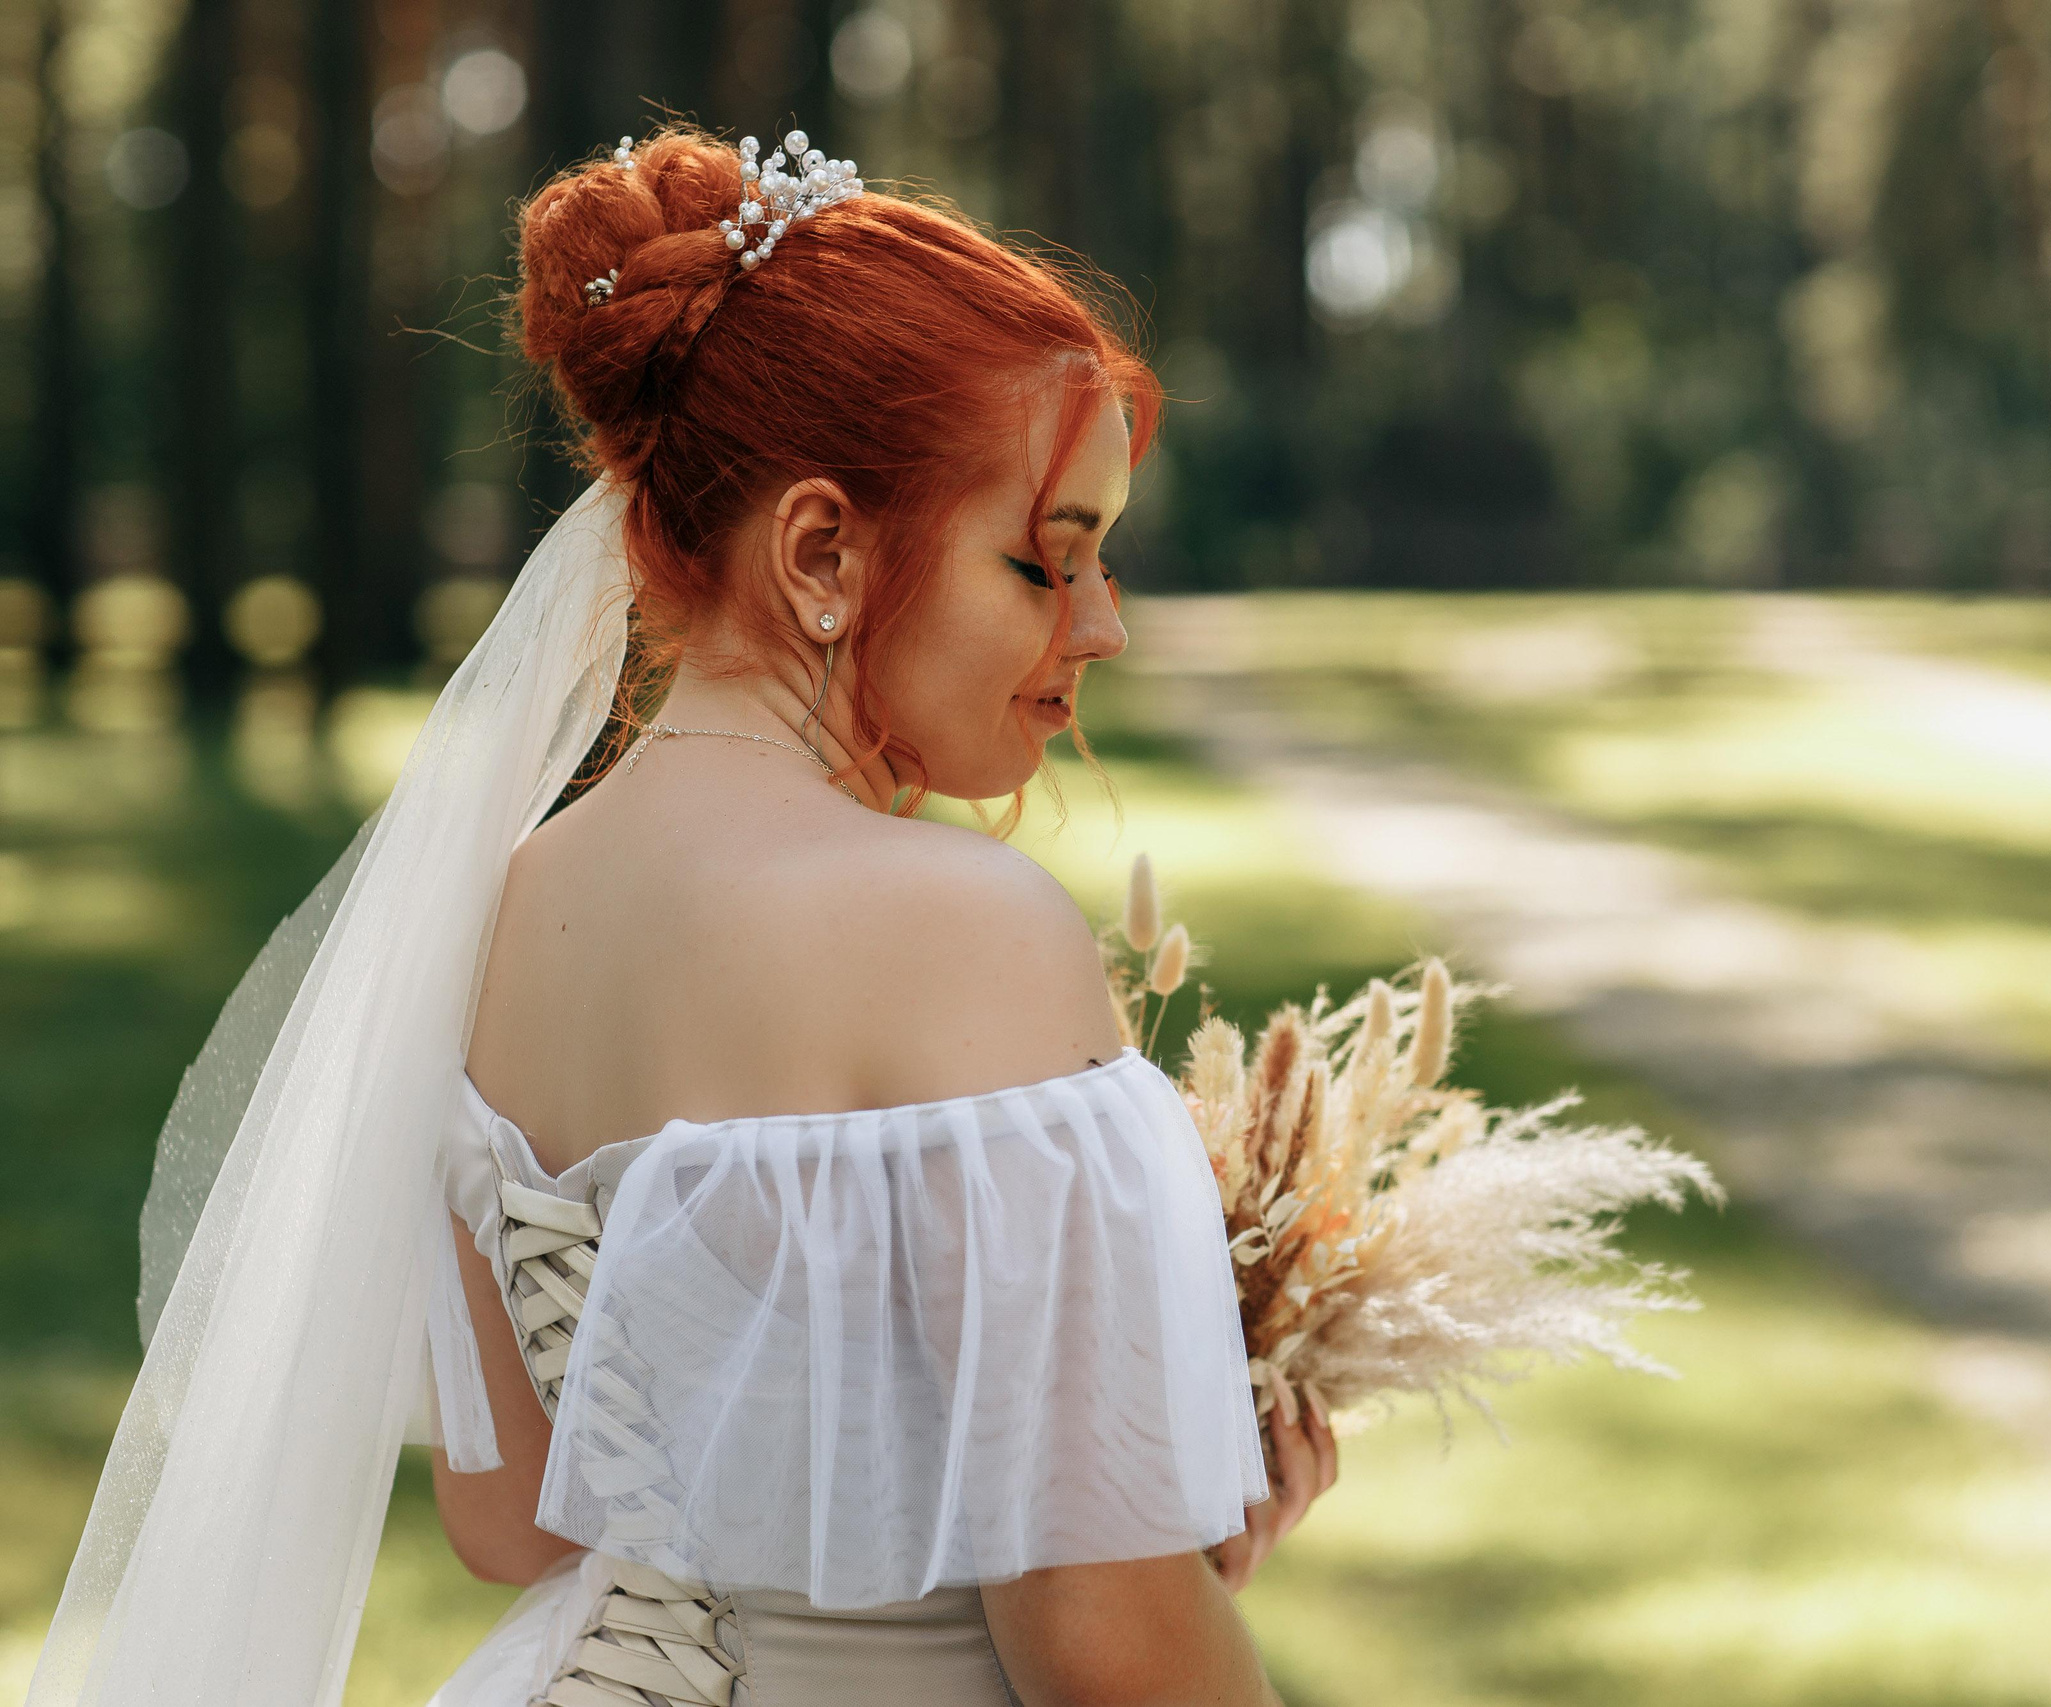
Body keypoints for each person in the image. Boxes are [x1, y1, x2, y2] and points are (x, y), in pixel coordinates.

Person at [26, 125, 1332, 1707]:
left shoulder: (503, 908)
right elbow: (1104, 1653)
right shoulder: (964, 930)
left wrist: (1147, 1527)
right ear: (823, 550)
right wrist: (1159, 1568)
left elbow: (510, 1521)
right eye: (1046, 562)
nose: (1103, 624)